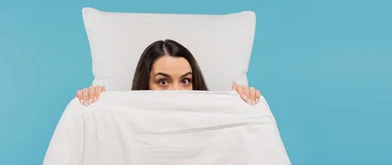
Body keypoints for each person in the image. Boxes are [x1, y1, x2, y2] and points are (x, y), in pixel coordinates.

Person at [75, 39, 261, 106]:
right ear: (146, 84)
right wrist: (94, 104)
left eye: (185, 81)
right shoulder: (125, 123)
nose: (176, 91)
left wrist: (242, 105)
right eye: (163, 82)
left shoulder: (214, 119)